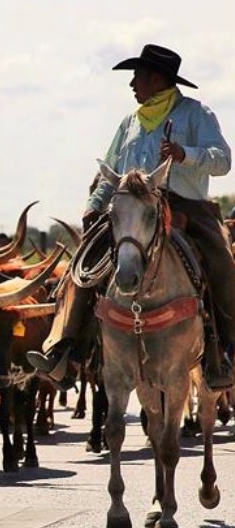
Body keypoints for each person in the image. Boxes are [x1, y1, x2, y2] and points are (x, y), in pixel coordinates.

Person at [27, 43, 234, 391]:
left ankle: (225, 352)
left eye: (137, 76)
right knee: (83, 266)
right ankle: (64, 350)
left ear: (158, 78)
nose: (132, 84)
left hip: (186, 207)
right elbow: (112, 172)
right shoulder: (129, 123)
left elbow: (223, 160)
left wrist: (186, 154)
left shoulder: (196, 113)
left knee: (223, 266)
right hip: (131, 209)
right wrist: (94, 206)